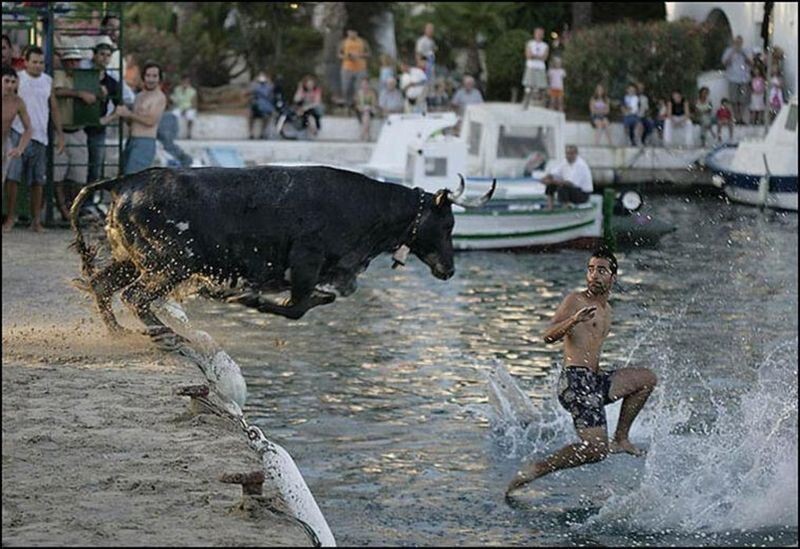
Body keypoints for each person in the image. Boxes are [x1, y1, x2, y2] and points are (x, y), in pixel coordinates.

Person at [506, 247, 658, 497]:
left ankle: (621, 438)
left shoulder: (608, 310)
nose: (594, 275)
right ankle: (535, 470)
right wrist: (573, 320)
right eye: (590, 269)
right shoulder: (575, 301)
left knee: (646, 380)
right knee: (596, 451)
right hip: (575, 382)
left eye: (601, 270)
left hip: (594, 380)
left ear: (613, 277)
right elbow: (547, 336)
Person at [4, 46, 65, 233]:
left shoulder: (47, 80)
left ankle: (36, 220)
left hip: (40, 136)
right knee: (13, 178)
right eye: (35, 62)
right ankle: (11, 217)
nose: (38, 65)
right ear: (26, 61)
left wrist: (60, 134)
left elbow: (53, 107)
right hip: (17, 132)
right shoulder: (18, 79)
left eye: (41, 62)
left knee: (38, 180)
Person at [53, 48, 97, 222]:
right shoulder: (59, 76)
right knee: (58, 176)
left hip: (79, 130)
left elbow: (97, 92)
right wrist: (79, 94)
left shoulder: (85, 78)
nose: (73, 64)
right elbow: (56, 92)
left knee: (78, 176)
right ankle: (64, 211)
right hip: (61, 130)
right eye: (69, 60)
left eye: (76, 60)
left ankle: (73, 210)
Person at [115, 61, 166, 174]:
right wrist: (122, 114)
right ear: (143, 77)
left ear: (159, 78)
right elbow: (132, 121)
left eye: (154, 76)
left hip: (145, 142)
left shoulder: (159, 97)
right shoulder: (139, 96)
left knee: (133, 178)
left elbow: (151, 121)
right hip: (131, 141)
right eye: (148, 76)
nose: (151, 79)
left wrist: (128, 114)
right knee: (123, 176)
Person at [2, 65, 32, 186]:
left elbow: (28, 128)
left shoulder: (18, 102)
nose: (10, 86)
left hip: (4, 144)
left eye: (13, 82)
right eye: (6, 81)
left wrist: (20, 148)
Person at [541, 145, 593, 210]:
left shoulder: (580, 165)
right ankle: (550, 207)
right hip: (573, 190)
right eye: (567, 153)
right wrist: (545, 178)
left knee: (562, 187)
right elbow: (554, 173)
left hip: (583, 194)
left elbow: (570, 183)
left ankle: (566, 208)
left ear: (576, 154)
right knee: (550, 185)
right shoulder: (565, 162)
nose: (569, 156)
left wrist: (552, 181)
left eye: (571, 154)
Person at [721, 35, 751, 124]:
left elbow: (751, 62)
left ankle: (741, 118)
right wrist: (732, 53)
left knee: (743, 100)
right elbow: (724, 63)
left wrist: (743, 54)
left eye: (740, 42)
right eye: (736, 42)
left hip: (744, 79)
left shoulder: (746, 51)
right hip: (732, 78)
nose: (738, 44)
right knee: (733, 100)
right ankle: (736, 118)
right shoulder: (729, 51)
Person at [338, 29, 370, 109]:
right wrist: (347, 56)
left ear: (356, 32)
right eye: (350, 32)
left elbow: (369, 53)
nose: (351, 34)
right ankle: (348, 105)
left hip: (360, 68)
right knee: (346, 87)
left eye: (353, 32)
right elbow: (339, 54)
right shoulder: (344, 42)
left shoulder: (363, 42)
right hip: (347, 68)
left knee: (359, 88)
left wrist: (360, 55)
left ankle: (358, 105)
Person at [522, 27, 549, 109]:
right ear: (534, 34)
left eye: (541, 34)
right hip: (531, 67)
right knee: (528, 86)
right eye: (537, 33)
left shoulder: (545, 45)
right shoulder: (530, 43)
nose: (539, 35)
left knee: (542, 87)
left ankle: (542, 105)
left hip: (540, 68)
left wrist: (534, 56)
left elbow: (544, 57)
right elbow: (528, 56)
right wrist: (537, 56)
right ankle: (525, 103)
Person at [247, 71, 276, 140]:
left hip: (265, 107)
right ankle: (251, 133)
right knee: (250, 116)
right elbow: (249, 91)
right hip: (256, 106)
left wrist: (269, 81)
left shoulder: (269, 86)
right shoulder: (255, 85)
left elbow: (271, 92)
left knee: (266, 117)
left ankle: (262, 133)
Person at [170, 74, 198, 139]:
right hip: (179, 107)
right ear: (181, 81)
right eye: (184, 81)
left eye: (187, 82)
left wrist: (186, 109)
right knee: (173, 114)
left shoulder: (193, 91)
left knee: (190, 115)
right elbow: (174, 100)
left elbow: (194, 104)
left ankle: (189, 133)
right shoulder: (177, 89)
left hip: (189, 108)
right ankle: (173, 133)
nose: (185, 83)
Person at [354, 77, 377, 142]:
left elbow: (374, 104)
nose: (365, 86)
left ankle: (362, 135)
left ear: (369, 85)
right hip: (360, 111)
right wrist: (363, 108)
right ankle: (367, 135)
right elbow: (357, 105)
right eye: (363, 84)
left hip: (370, 111)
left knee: (367, 114)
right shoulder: (359, 93)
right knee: (366, 114)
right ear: (361, 85)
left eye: (366, 84)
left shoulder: (372, 93)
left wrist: (369, 108)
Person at [415, 22, 437, 88]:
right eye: (429, 28)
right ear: (425, 30)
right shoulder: (421, 40)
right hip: (424, 64)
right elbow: (418, 53)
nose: (431, 30)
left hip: (431, 64)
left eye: (432, 29)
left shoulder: (432, 41)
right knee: (423, 86)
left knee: (430, 85)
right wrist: (419, 63)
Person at [635, 82, 655, 146]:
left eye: (642, 88)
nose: (640, 89)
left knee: (650, 123)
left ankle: (645, 139)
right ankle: (638, 140)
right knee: (640, 124)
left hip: (642, 116)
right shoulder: (633, 97)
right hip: (635, 116)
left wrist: (648, 115)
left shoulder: (645, 98)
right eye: (639, 88)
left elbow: (646, 109)